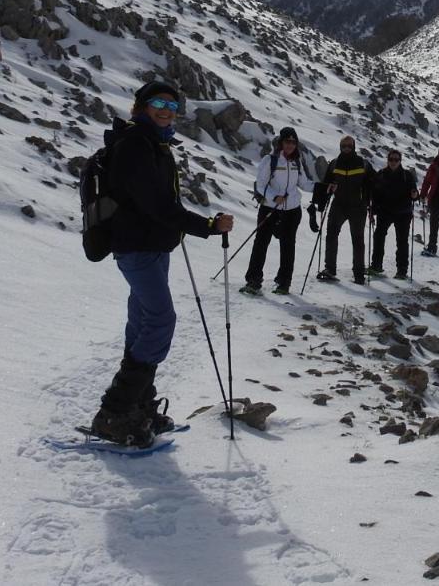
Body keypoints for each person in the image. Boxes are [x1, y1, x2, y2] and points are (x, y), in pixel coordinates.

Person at [91, 81, 234, 447]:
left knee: (142, 322)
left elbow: (158, 203)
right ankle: (115, 411)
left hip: (151, 247)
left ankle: (139, 405)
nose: (166, 109)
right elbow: (157, 205)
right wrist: (206, 226)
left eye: (173, 104)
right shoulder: (137, 146)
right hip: (137, 248)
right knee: (160, 321)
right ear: (141, 106)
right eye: (158, 102)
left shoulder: (154, 144)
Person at [243, 126, 313, 295]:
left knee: (288, 246)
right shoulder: (270, 160)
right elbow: (260, 185)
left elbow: (304, 184)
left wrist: (322, 188)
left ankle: (284, 282)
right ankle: (253, 280)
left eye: (293, 142)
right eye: (287, 141)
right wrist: (274, 197)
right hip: (270, 208)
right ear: (281, 143)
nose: (290, 145)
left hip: (292, 210)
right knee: (261, 244)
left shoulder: (297, 161)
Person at [314, 136, 374, 284]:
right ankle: (330, 269)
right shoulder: (334, 164)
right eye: (344, 145)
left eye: (349, 145)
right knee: (331, 235)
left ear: (354, 146)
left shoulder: (363, 163)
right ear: (340, 146)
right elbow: (325, 183)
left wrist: (369, 202)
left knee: (358, 240)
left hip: (358, 206)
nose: (346, 147)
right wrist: (321, 202)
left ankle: (359, 274)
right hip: (338, 204)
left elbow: (373, 184)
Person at [368, 149, 419, 277]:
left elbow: (415, 194)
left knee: (401, 241)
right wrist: (372, 210)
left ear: (400, 161)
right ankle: (376, 265)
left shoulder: (407, 175)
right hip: (384, 211)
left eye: (396, 159)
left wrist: (414, 195)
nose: (393, 162)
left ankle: (402, 270)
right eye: (391, 159)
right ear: (388, 160)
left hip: (403, 213)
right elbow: (375, 194)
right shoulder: (381, 174)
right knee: (379, 237)